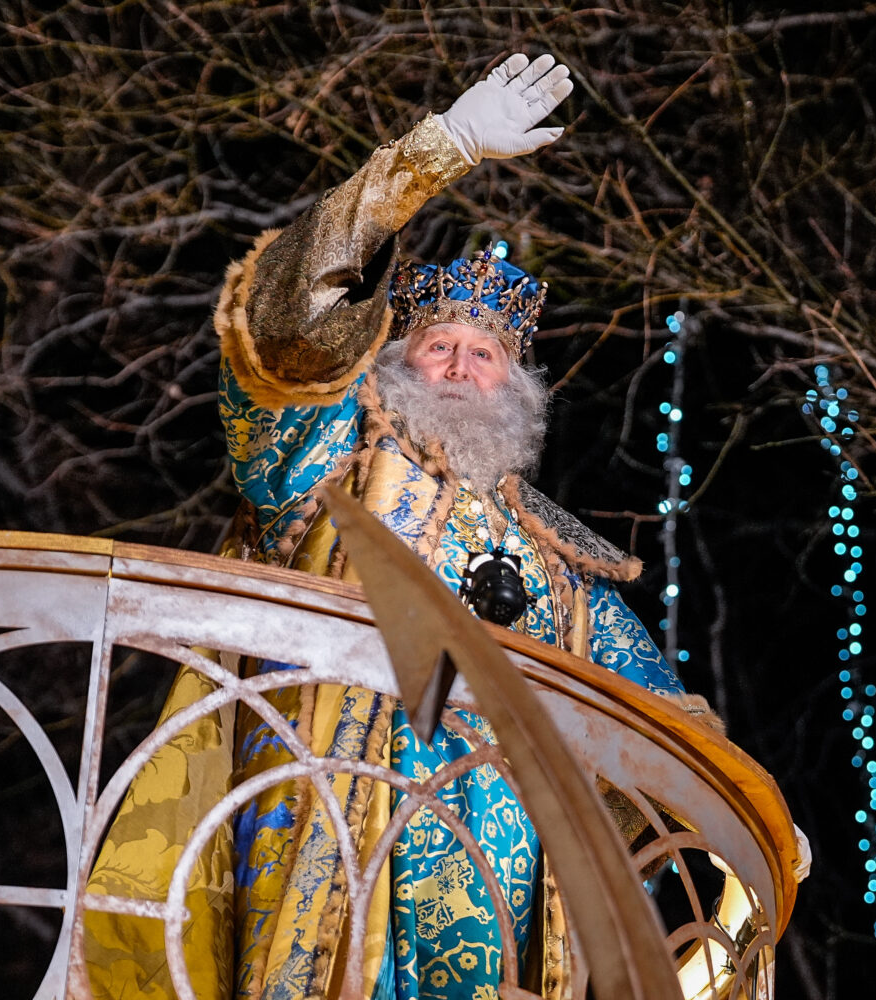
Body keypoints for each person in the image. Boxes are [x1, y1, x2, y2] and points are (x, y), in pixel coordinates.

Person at [86, 53, 718, 1000]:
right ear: (396, 363)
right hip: (329, 845)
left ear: (520, 388)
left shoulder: (558, 557)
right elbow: (292, 321)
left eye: (485, 353)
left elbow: (658, 715)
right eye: (439, 346)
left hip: (501, 898)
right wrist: (439, 152)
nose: (462, 366)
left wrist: (749, 803)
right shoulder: (320, 464)